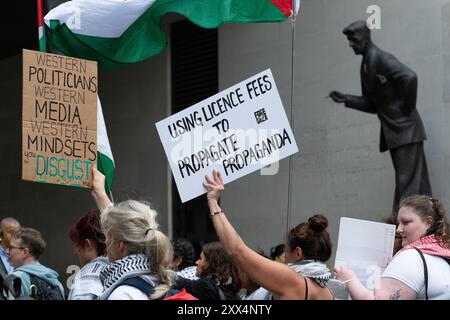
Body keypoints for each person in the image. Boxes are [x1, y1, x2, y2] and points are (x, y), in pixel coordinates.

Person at [329, 20, 431, 212]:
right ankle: (431, 229)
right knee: (419, 185)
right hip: (398, 132)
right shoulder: (366, 64)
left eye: (353, 40)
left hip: (405, 130)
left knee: (407, 184)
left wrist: (406, 108)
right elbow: (373, 104)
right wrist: (346, 99)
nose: (351, 44)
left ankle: (398, 229)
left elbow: (410, 77)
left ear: (365, 38)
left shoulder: (381, 58)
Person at [203, 170, 334, 300]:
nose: (285, 260)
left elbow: (237, 250)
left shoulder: (292, 280)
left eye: (287, 251)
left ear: (298, 253)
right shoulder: (328, 292)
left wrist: (213, 202)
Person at [335, 195, 450, 299]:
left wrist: (349, 280)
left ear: (428, 222)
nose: (399, 229)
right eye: (398, 223)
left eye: (406, 222)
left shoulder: (411, 257)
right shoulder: (441, 253)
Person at [90, 168, 175, 300]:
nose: (105, 243)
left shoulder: (123, 295)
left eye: (107, 237)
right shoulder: (155, 277)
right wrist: (100, 194)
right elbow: (121, 225)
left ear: (120, 245)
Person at [5, 228, 64, 299]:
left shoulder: (14, 279)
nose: (7, 252)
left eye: (11, 247)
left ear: (25, 252)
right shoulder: (55, 281)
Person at [173, 241, 241, 300]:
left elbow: (181, 282)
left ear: (211, 263)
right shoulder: (229, 290)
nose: (197, 262)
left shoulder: (207, 287)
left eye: (201, 259)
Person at [67, 209, 110, 300]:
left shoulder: (87, 280)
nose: (75, 252)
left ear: (87, 244)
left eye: (76, 246)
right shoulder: (122, 270)